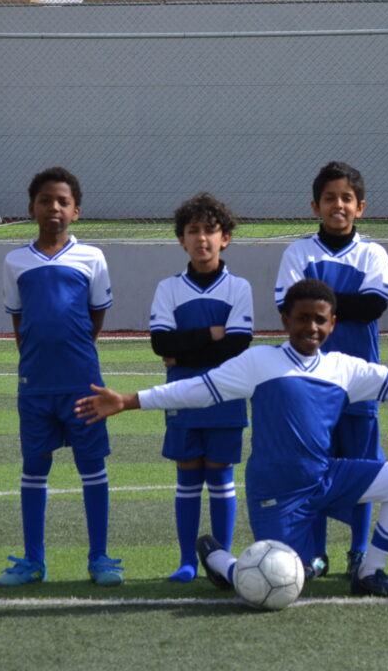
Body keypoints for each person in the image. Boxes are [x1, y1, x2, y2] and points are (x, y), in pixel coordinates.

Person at [75, 278, 388, 599]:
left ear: (333, 324)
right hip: (277, 492)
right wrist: (128, 400)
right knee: (278, 585)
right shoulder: (258, 363)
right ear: (285, 319)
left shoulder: (343, 368)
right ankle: (219, 559)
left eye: (320, 320)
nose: (312, 327)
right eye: (303, 318)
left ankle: (369, 573)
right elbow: (197, 390)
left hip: (326, 478)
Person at [0, 166, 120, 587]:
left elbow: (96, 316)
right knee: (34, 466)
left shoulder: (92, 257)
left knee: (92, 466)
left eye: (63, 201)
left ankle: (100, 558)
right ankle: (33, 561)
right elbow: (18, 320)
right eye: (45, 200)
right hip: (35, 385)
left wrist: (74, 354)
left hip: (82, 383)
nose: (54, 207)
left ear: (76, 211)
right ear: (31, 208)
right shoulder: (15, 261)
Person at [274, 161, 388, 581]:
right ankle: (316, 553)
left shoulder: (373, 253)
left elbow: (373, 305)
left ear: (361, 207)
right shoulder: (298, 252)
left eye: (346, 198)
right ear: (315, 206)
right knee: (313, 470)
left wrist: (315, 301)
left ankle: (357, 552)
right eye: (329, 198)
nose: (338, 205)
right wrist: (342, 302)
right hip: (309, 383)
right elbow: (287, 306)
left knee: (360, 470)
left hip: (358, 382)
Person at [149, 192, 254, 582]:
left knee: (221, 475)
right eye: (193, 231)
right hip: (181, 393)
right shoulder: (168, 289)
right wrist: (211, 334)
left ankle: (220, 561)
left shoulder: (238, 288)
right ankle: (187, 561)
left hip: (226, 395)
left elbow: (237, 344)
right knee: (188, 475)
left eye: (210, 230)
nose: (202, 238)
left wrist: (184, 351)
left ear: (225, 238)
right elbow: (161, 343)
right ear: (181, 239)